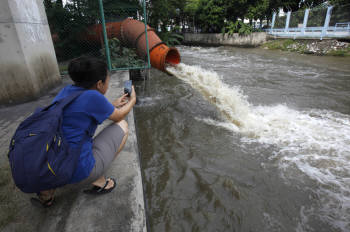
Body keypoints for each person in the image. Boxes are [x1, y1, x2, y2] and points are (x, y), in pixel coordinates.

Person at [34, 56, 136, 207]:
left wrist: (111, 105)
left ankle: (47, 190)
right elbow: (119, 115)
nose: (108, 83)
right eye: (107, 79)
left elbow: (82, 109)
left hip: (51, 164)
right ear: (99, 83)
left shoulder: (66, 91)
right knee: (123, 125)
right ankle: (99, 180)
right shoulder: (94, 97)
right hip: (77, 170)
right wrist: (133, 99)